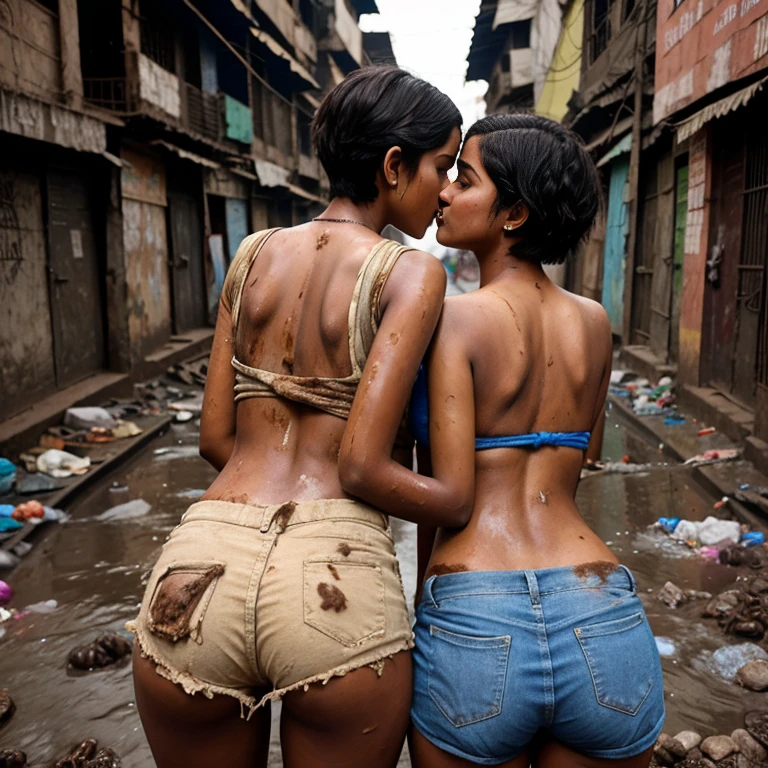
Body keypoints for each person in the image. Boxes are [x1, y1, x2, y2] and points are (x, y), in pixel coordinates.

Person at [129, 66, 462, 768]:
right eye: (441, 166)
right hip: (332, 587)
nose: (446, 191)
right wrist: (455, 503)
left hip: (199, 569)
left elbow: (215, 438)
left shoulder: (250, 258)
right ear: (394, 165)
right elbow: (360, 466)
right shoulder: (409, 273)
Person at [339, 114, 665, 767]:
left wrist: (423, 600)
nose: (444, 194)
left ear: (512, 213)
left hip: (477, 614)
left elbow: (446, 488)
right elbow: (584, 459)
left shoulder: (451, 320)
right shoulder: (596, 323)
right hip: (601, 611)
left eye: (465, 180)